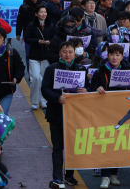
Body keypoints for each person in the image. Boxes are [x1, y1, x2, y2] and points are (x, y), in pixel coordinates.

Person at [42, 41, 87, 189]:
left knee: (72, 146)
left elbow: (90, 88)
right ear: (59, 53)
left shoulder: (81, 69)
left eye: (70, 52)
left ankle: (69, 175)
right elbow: (45, 89)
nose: (67, 55)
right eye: (64, 52)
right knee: (58, 147)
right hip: (56, 114)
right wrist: (56, 98)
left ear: (75, 53)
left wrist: (85, 90)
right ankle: (57, 178)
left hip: (75, 115)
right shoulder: (51, 69)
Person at [90, 43, 130, 188]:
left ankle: (114, 174)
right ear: (107, 56)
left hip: (122, 112)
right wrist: (97, 88)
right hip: (104, 113)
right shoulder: (99, 72)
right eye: (112, 54)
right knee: (106, 143)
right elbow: (91, 89)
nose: (114, 57)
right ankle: (105, 176)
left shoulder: (129, 70)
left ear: (122, 56)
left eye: (118, 55)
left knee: (119, 144)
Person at [25, 4, 54, 110]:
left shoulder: (50, 25)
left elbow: (54, 39)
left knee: (44, 80)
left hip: (46, 57)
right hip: (34, 56)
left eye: (45, 12)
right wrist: (37, 41)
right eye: (41, 12)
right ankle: (34, 101)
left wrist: (49, 42)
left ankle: (43, 101)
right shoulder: (31, 25)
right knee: (36, 77)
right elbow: (26, 38)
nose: (43, 14)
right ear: (36, 14)